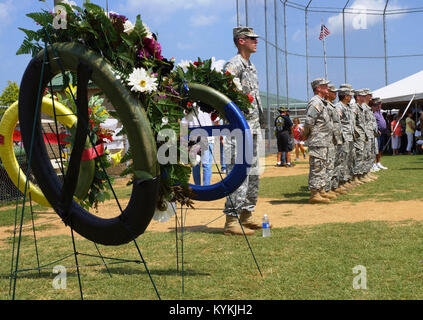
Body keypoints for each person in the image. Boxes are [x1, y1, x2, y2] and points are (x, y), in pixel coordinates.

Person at [222, 26, 263, 235]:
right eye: (252, 39)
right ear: (241, 40)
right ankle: (231, 220)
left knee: (254, 172)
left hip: (253, 128)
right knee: (238, 171)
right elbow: (228, 94)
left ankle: (246, 214)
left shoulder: (251, 67)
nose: (256, 42)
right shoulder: (234, 64)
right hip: (239, 129)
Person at [302, 78, 332, 204]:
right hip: (317, 140)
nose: (328, 88)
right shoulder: (315, 102)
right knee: (317, 166)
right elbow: (309, 121)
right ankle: (315, 193)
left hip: (323, 140)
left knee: (322, 165)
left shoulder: (322, 102)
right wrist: (306, 134)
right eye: (325, 86)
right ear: (318, 88)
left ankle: (321, 190)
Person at [371, 98, 388, 170]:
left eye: (380, 104)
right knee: (376, 148)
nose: (380, 105)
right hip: (377, 132)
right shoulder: (373, 112)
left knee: (380, 148)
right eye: (378, 104)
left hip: (383, 132)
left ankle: (378, 163)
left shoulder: (380, 112)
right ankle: (374, 163)